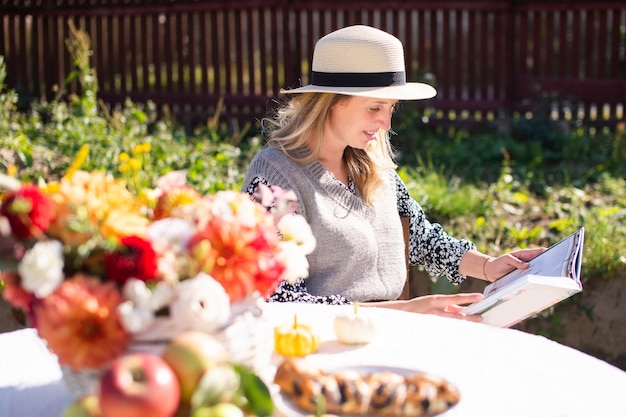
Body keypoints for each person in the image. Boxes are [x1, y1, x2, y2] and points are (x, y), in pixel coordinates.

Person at [243, 25, 543, 321]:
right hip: (324, 343)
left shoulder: (373, 165)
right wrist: (406, 311)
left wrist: (489, 267)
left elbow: (419, 236)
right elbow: (279, 298)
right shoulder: (275, 176)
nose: (386, 122)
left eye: (390, 108)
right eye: (375, 108)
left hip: (393, 330)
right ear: (333, 102)